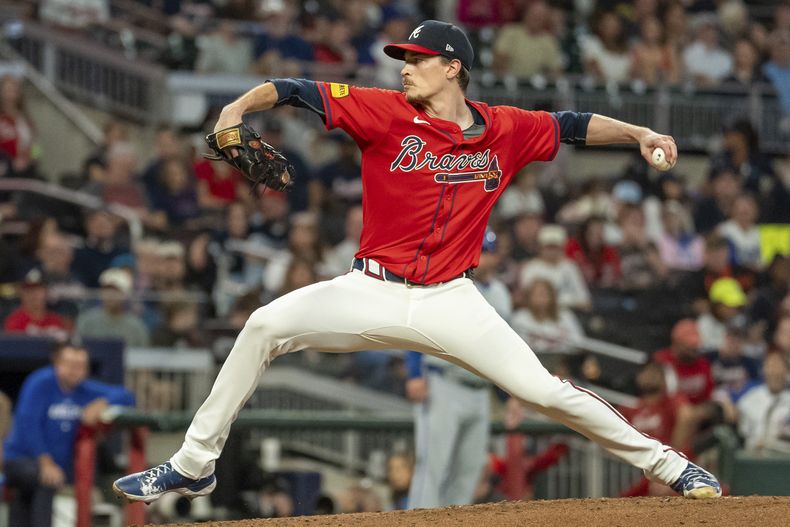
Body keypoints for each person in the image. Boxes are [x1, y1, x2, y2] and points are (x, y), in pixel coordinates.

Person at [114, 19, 721, 503]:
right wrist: (235, 110)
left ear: (453, 67)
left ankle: (672, 466)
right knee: (262, 325)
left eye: (418, 59)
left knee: (545, 391)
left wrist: (640, 134)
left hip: (451, 300)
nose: (404, 68)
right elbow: (293, 89)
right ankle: (194, 463)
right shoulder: (383, 110)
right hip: (370, 289)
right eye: (403, 59)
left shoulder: (504, 128)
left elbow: (572, 125)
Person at [404, 231, 511, 509]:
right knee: (432, 468)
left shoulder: (500, 294)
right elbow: (417, 327)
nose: (481, 258)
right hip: (443, 384)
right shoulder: (445, 284)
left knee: (469, 472)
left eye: (486, 252)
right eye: (478, 251)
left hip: (481, 391)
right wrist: (414, 373)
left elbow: (505, 348)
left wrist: (510, 397)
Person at [3, 341, 134, 527]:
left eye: (81, 366)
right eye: (70, 364)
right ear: (57, 363)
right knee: (46, 479)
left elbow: (126, 395)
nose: (75, 371)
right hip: (21, 460)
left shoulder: (85, 389)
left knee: (29, 498)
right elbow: (28, 424)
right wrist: (45, 461)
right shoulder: (40, 382)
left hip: (59, 466)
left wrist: (103, 402)